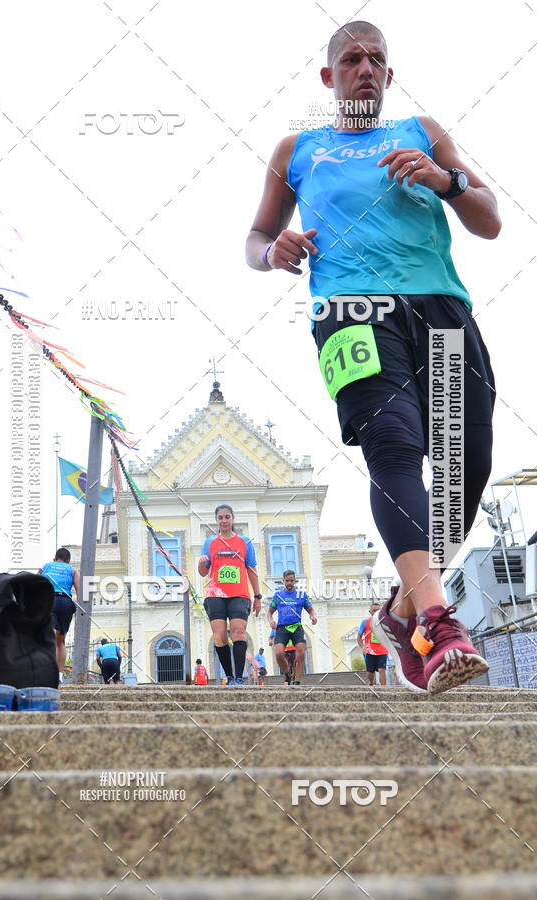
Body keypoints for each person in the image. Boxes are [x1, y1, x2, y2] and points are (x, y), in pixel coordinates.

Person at [246, 20, 499, 695]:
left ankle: (400, 609)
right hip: (349, 314)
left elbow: (489, 217)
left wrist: (445, 180)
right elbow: (255, 238)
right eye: (351, 59)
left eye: (376, 60)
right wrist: (274, 252)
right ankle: (440, 626)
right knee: (393, 448)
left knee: (463, 472)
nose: (365, 68)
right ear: (329, 77)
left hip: (441, 309)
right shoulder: (299, 149)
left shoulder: (422, 131)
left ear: (389, 76)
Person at [198, 504, 261, 686]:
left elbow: (251, 570)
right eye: (220, 517)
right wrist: (201, 563)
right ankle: (230, 676)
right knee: (219, 636)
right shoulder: (209, 543)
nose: (224, 520)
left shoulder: (245, 542)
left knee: (238, 632)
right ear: (216, 520)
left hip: (239, 594)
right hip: (215, 594)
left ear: (233, 519)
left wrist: (257, 596)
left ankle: (239, 677)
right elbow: (203, 572)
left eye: (227, 517)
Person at [268, 570, 317, 685]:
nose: (289, 583)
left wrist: (313, 617)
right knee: (279, 653)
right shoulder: (278, 595)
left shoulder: (301, 595)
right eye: (287, 581)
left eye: (291, 580)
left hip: (296, 627)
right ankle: (287, 674)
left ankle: (297, 681)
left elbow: (311, 610)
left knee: (301, 652)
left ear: (295, 581)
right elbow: (269, 612)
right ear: (283, 581)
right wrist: (271, 621)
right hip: (282, 628)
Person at [39, 548, 80, 678]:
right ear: (68, 561)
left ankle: (46, 671)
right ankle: (59, 675)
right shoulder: (72, 570)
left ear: (54, 558)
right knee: (60, 641)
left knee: (47, 637)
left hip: (49, 599)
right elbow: (81, 593)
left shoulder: (46, 566)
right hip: (66, 602)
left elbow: (34, 583)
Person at [358, 601, 389, 686]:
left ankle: (384, 689)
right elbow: (359, 637)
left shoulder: (384, 622)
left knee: (382, 670)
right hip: (369, 651)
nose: (376, 612)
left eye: (378, 610)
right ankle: (371, 682)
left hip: (382, 650)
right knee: (370, 672)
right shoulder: (365, 622)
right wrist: (362, 647)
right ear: (370, 612)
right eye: (374, 610)